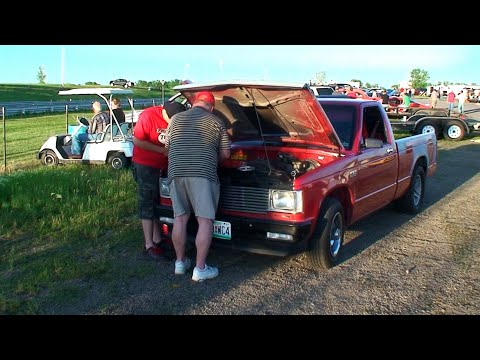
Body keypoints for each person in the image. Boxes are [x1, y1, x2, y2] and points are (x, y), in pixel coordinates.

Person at [165, 91, 230, 282]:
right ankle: (200, 269)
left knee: (180, 218)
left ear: (194, 103)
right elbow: (225, 154)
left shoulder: (175, 119)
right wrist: (211, 158)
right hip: (202, 174)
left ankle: (180, 262)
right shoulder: (216, 121)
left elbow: (167, 150)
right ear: (212, 106)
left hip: (176, 172)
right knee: (205, 220)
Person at [132, 101, 186, 259]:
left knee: (160, 201)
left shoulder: (177, 119)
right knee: (147, 201)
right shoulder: (148, 116)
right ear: (165, 114)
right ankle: (149, 244)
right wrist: (162, 151)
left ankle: (158, 239)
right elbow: (137, 141)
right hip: (146, 165)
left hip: (166, 166)